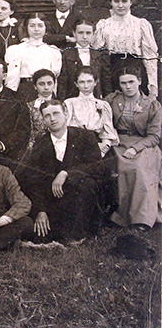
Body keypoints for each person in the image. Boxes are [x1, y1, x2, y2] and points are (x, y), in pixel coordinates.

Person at [20, 100, 107, 244]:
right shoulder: (40, 144)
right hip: (55, 200)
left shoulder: (85, 136)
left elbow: (98, 167)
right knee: (42, 235)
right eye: (47, 116)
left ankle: (78, 234)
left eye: (56, 113)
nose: (52, 119)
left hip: (81, 196)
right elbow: (34, 181)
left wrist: (67, 173)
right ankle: (62, 231)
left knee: (87, 184)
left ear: (65, 114)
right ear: (43, 119)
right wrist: (40, 211)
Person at [105, 68, 162, 231]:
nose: (128, 86)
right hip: (118, 142)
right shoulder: (112, 100)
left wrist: (136, 148)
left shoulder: (152, 105)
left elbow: (154, 136)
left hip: (144, 143)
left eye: (131, 82)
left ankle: (141, 219)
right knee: (120, 166)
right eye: (123, 83)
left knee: (139, 168)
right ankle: (120, 215)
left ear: (139, 81)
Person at [93, 0, 159, 98]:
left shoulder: (141, 24)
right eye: (116, 1)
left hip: (136, 68)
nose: (120, 5)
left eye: (124, 1)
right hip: (112, 69)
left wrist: (153, 88)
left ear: (131, 2)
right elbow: (97, 54)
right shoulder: (103, 25)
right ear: (111, 2)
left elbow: (150, 58)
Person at [5, 13, 62, 100]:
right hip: (26, 90)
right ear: (26, 28)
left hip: (46, 91)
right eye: (32, 26)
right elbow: (12, 77)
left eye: (40, 26)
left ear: (46, 28)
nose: (36, 29)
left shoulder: (53, 51)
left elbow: (55, 77)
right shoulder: (17, 50)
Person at [57, 18, 112, 100]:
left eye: (88, 33)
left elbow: (106, 81)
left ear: (93, 34)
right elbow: (63, 82)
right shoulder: (66, 54)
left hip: (95, 98)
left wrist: (107, 100)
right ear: (74, 33)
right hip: (72, 98)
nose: (84, 37)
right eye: (80, 33)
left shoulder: (100, 55)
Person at [26, 69, 59, 154]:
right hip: (37, 148)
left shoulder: (62, 105)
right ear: (35, 86)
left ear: (54, 85)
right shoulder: (29, 107)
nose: (46, 87)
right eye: (41, 84)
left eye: (49, 83)